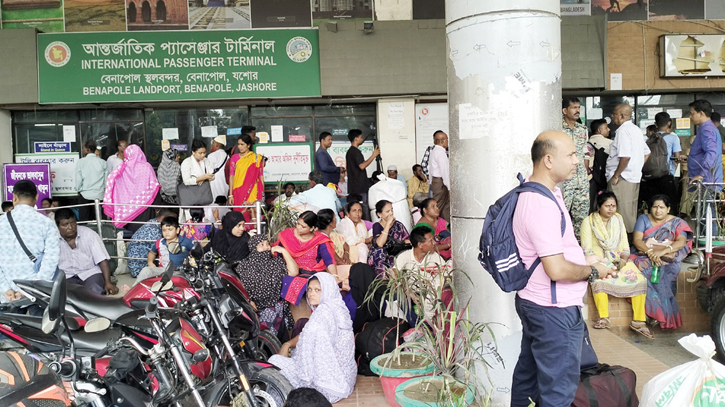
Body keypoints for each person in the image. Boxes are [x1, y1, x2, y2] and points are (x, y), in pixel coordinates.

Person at [511, 131, 616, 407]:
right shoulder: (541, 204)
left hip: (537, 302)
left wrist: (587, 260)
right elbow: (556, 270)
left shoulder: (545, 192)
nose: (577, 160)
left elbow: (554, 249)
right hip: (553, 310)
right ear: (548, 159)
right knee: (557, 392)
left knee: (529, 378)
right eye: (570, 154)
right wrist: (593, 272)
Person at [269, 273, 357, 404]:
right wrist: (288, 344)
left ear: (327, 290)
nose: (311, 294)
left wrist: (289, 350)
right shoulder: (338, 307)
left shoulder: (323, 313)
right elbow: (309, 335)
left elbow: (312, 357)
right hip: (347, 378)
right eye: (309, 289)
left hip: (327, 389)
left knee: (275, 361)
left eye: (317, 290)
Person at [580, 192, 651, 338]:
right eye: (607, 206)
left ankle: (638, 320)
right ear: (599, 206)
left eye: (613, 206)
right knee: (598, 278)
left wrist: (624, 259)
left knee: (639, 278)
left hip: (618, 258)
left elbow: (625, 246)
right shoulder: (588, 221)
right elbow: (587, 249)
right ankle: (604, 317)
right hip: (597, 259)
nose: (611, 209)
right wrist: (602, 261)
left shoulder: (618, 219)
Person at [632, 194, 693, 329]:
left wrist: (663, 252)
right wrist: (650, 253)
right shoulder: (643, 219)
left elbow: (681, 241)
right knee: (644, 270)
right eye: (655, 207)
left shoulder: (677, 222)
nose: (658, 210)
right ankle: (656, 314)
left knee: (668, 272)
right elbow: (637, 240)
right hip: (645, 255)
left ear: (668, 209)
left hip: (668, 257)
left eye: (661, 207)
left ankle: (663, 315)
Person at [0, 180, 60, 302]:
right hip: (36, 294)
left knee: (8, 321)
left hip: (7, 295)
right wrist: (34, 289)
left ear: (14, 197)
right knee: (39, 321)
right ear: (36, 197)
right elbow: (52, 258)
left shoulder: (1, 222)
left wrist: (5, 288)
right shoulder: (47, 223)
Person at [236, 234, 298, 339]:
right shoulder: (243, 267)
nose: (266, 247)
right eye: (261, 245)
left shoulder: (276, 263)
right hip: (253, 307)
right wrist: (248, 300)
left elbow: (294, 272)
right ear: (253, 248)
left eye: (268, 244)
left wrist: (283, 251)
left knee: (270, 327)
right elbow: (239, 288)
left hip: (273, 305)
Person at [606, 104, 651, 234]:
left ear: (621, 116)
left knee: (620, 213)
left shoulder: (622, 131)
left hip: (622, 178)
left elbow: (625, 156)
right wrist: (636, 167)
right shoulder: (636, 129)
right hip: (633, 176)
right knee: (630, 211)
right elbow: (647, 152)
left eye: (614, 113)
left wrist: (616, 175)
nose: (612, 116)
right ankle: (630, 243)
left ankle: (626, 245)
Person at [55, 209, 118, 296]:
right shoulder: (52, 239)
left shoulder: (89, 234)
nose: (70, 227)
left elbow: (102, 259)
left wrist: (108, 282)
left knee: (95, 291)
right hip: (67, 276)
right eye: (65, 225)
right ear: (57, 226)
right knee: (65, 296)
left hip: (90, 273)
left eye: (73, 223)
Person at [103, 145, 160, 228]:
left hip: (127, 209)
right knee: (145, 230)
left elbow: (112, 181)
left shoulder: (121, 167)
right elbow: (154, 186)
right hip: (145, 205)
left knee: (129, 235)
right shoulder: (147, 167)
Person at [688, 99, 723, 235]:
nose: (690, 117)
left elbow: (712, 152)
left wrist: (701, 174)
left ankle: (708, 250)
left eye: (692, 113)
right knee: (706, 216)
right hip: (708, 180)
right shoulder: (708, 128)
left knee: (706, 217)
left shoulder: (706, 129)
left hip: (707, 181)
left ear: (701, 113)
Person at [276, 211, 338, 277]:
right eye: (298, 224)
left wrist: (335, 276)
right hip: (290, 272)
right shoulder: (287, 235)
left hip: (312, 273)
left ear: (312, 228)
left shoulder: (320, 240)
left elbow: (329, 260)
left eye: (303, 227)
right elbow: (277, 256)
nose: (298, 227)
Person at [134, 216, 193, 284]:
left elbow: (196, 252)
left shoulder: (186, 242)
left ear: (177, 230)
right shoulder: (159, 242)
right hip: (163, 270)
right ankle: (133, 290)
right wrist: (150, 262)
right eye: (164, 230)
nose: (167, 232)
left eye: (170, 230)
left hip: (179, 272)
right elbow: (152, 253)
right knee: (146, 270)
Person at [561, 96, 590, 238]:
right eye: (574, 108)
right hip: (564, 179)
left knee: (582, 217)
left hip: (581, 179)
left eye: (579, 107)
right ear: (565, 110)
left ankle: (581, 250)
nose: (577, 111)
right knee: (561, 214)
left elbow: (585, 153)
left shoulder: (582, 129)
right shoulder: (558, 128)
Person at [640, 112, 678, 214]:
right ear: (669, 123)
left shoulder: (651, 139)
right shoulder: (673, 137)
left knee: (652, 206)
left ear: (656, 125)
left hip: (650, 177)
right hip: (666, 175)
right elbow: (677, 157)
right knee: (670, 205)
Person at [126, 208, 179, 277]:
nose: (173, 223)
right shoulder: (155, 232)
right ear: (164, 219)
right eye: (172, 221)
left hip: (135, 265)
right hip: (140, 269)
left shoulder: (152, 222)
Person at [368, 200, 410, 276]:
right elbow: (380, 244)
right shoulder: (377, 226)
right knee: (380, 251)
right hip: (382, 255)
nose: (391, 213)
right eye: (387, 211)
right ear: (379, 214)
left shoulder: (398, 225)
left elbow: (408, 240)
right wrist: (387, 224)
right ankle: (383, 281)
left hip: (396, 253)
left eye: (392, 210)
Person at [229, 134, 264, 216]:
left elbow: (260, 176)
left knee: (253, 214)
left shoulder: (256, 158)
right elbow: (231, 176)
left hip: (253, 190)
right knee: (239, 215)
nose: (240, 147)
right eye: (238, 144)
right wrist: (230, 195)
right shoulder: (234, 158)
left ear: (248, 145)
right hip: (238, 191)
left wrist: (262, 194)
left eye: (242, 144)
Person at [345, 129, 380, 206]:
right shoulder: (355, 151)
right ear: (356, 139)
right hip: (359, 187)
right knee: (363, 208)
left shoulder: (349, 152)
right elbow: (362, 166)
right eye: (361, 137)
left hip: (353, 186)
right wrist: (373, 155)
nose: (362, 139)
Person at [76, 140, 108, 222]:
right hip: (99, 196)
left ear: (87, 150)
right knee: (99, 222)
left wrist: (78, 189)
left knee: (85, 222)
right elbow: (106, 181)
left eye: (83, 148)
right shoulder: (103, 162)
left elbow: (78, 179)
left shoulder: (81, 162)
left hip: (85, 195)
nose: (83, 150)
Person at [588, 119, 612, 212]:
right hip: (605, 178)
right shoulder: (610, 143)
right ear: (599, 131)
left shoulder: (586, 142)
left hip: (592, 178)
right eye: (606, 127)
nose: (609, 129)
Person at [180, 139, 215, 205]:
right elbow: (186, 181)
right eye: (200, 153)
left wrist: (203, 178)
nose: (203, 155)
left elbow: (212, 176)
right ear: (193, 152)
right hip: (191, 194)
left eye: (204, 153)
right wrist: (201, 178)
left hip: (204, 194)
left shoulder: (206, 161)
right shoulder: (187, 162)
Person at [428, 131, 450, 222]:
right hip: (440, 182)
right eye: (447, 139)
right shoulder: (440, 153)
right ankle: (431, 227)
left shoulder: (434, 151)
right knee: (438, 208)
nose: (447, 141)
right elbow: (444, 171)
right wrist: (449, 187)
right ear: (443, 141)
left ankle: (445, 228)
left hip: (436, 182)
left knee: (445, 207)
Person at [207, 135, 230, 201]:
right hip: (225, 182)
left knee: (214, 201)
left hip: (214, 182)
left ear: (216, 145)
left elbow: (209, 171)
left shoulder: (211, 156)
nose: (212, 145)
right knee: (223, 201)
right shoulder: (227, 156)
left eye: (213, 143)